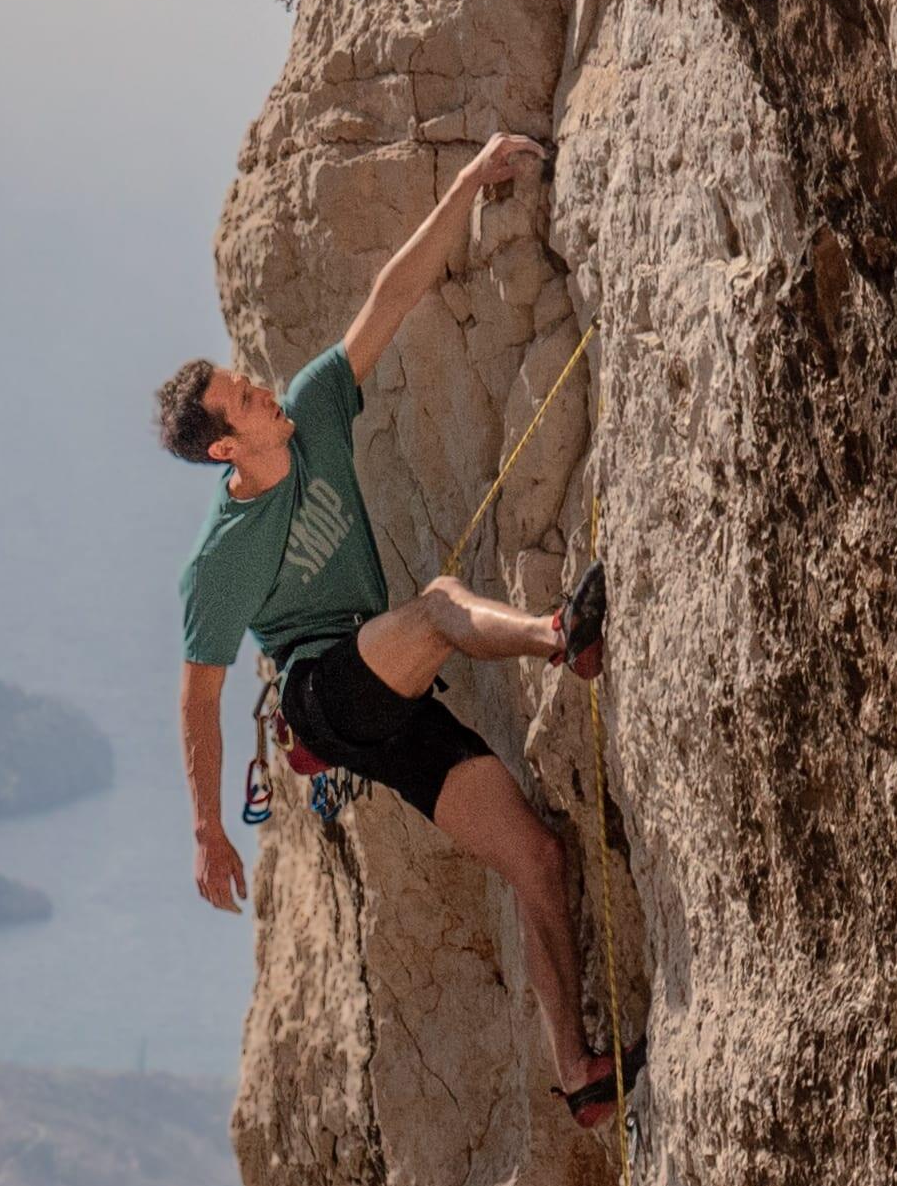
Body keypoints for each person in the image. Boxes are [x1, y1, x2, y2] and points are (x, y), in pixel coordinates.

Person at [155, 131, 642, 1130]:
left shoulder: (312, 410)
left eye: (248, 381)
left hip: (385, 699)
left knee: (535, 855)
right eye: (240, 397)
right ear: (222, 448)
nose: (260, 387)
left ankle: (580, 1072)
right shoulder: (221, 557)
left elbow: (391, 293)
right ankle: (561, 636)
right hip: (324, 697)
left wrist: (469, 181)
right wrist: (206, 827)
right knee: (435, 607)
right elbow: (198, 694)